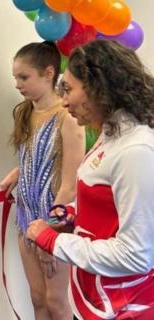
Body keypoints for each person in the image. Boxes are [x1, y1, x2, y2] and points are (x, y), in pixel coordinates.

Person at [26, 39, 154, 319]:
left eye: (69, 89)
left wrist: (53, 241)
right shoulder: (112, 135)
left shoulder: (136, 150)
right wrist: (71, 216)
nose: (64, 100)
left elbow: (136, 255)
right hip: (96, 296)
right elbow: (108, 209)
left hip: (125, 307)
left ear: (99, 88)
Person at [0, 41, 85, 320]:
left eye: (23, 77)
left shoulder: (66, 117)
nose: (17, 84)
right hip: (26, 218)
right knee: (37, 297)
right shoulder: (24, 112)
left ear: (49, 73)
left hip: (54, 221)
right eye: (15, 77)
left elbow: (70, 184)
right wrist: (19, 171)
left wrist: (50, 234)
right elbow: (37, 156)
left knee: (56, 301)